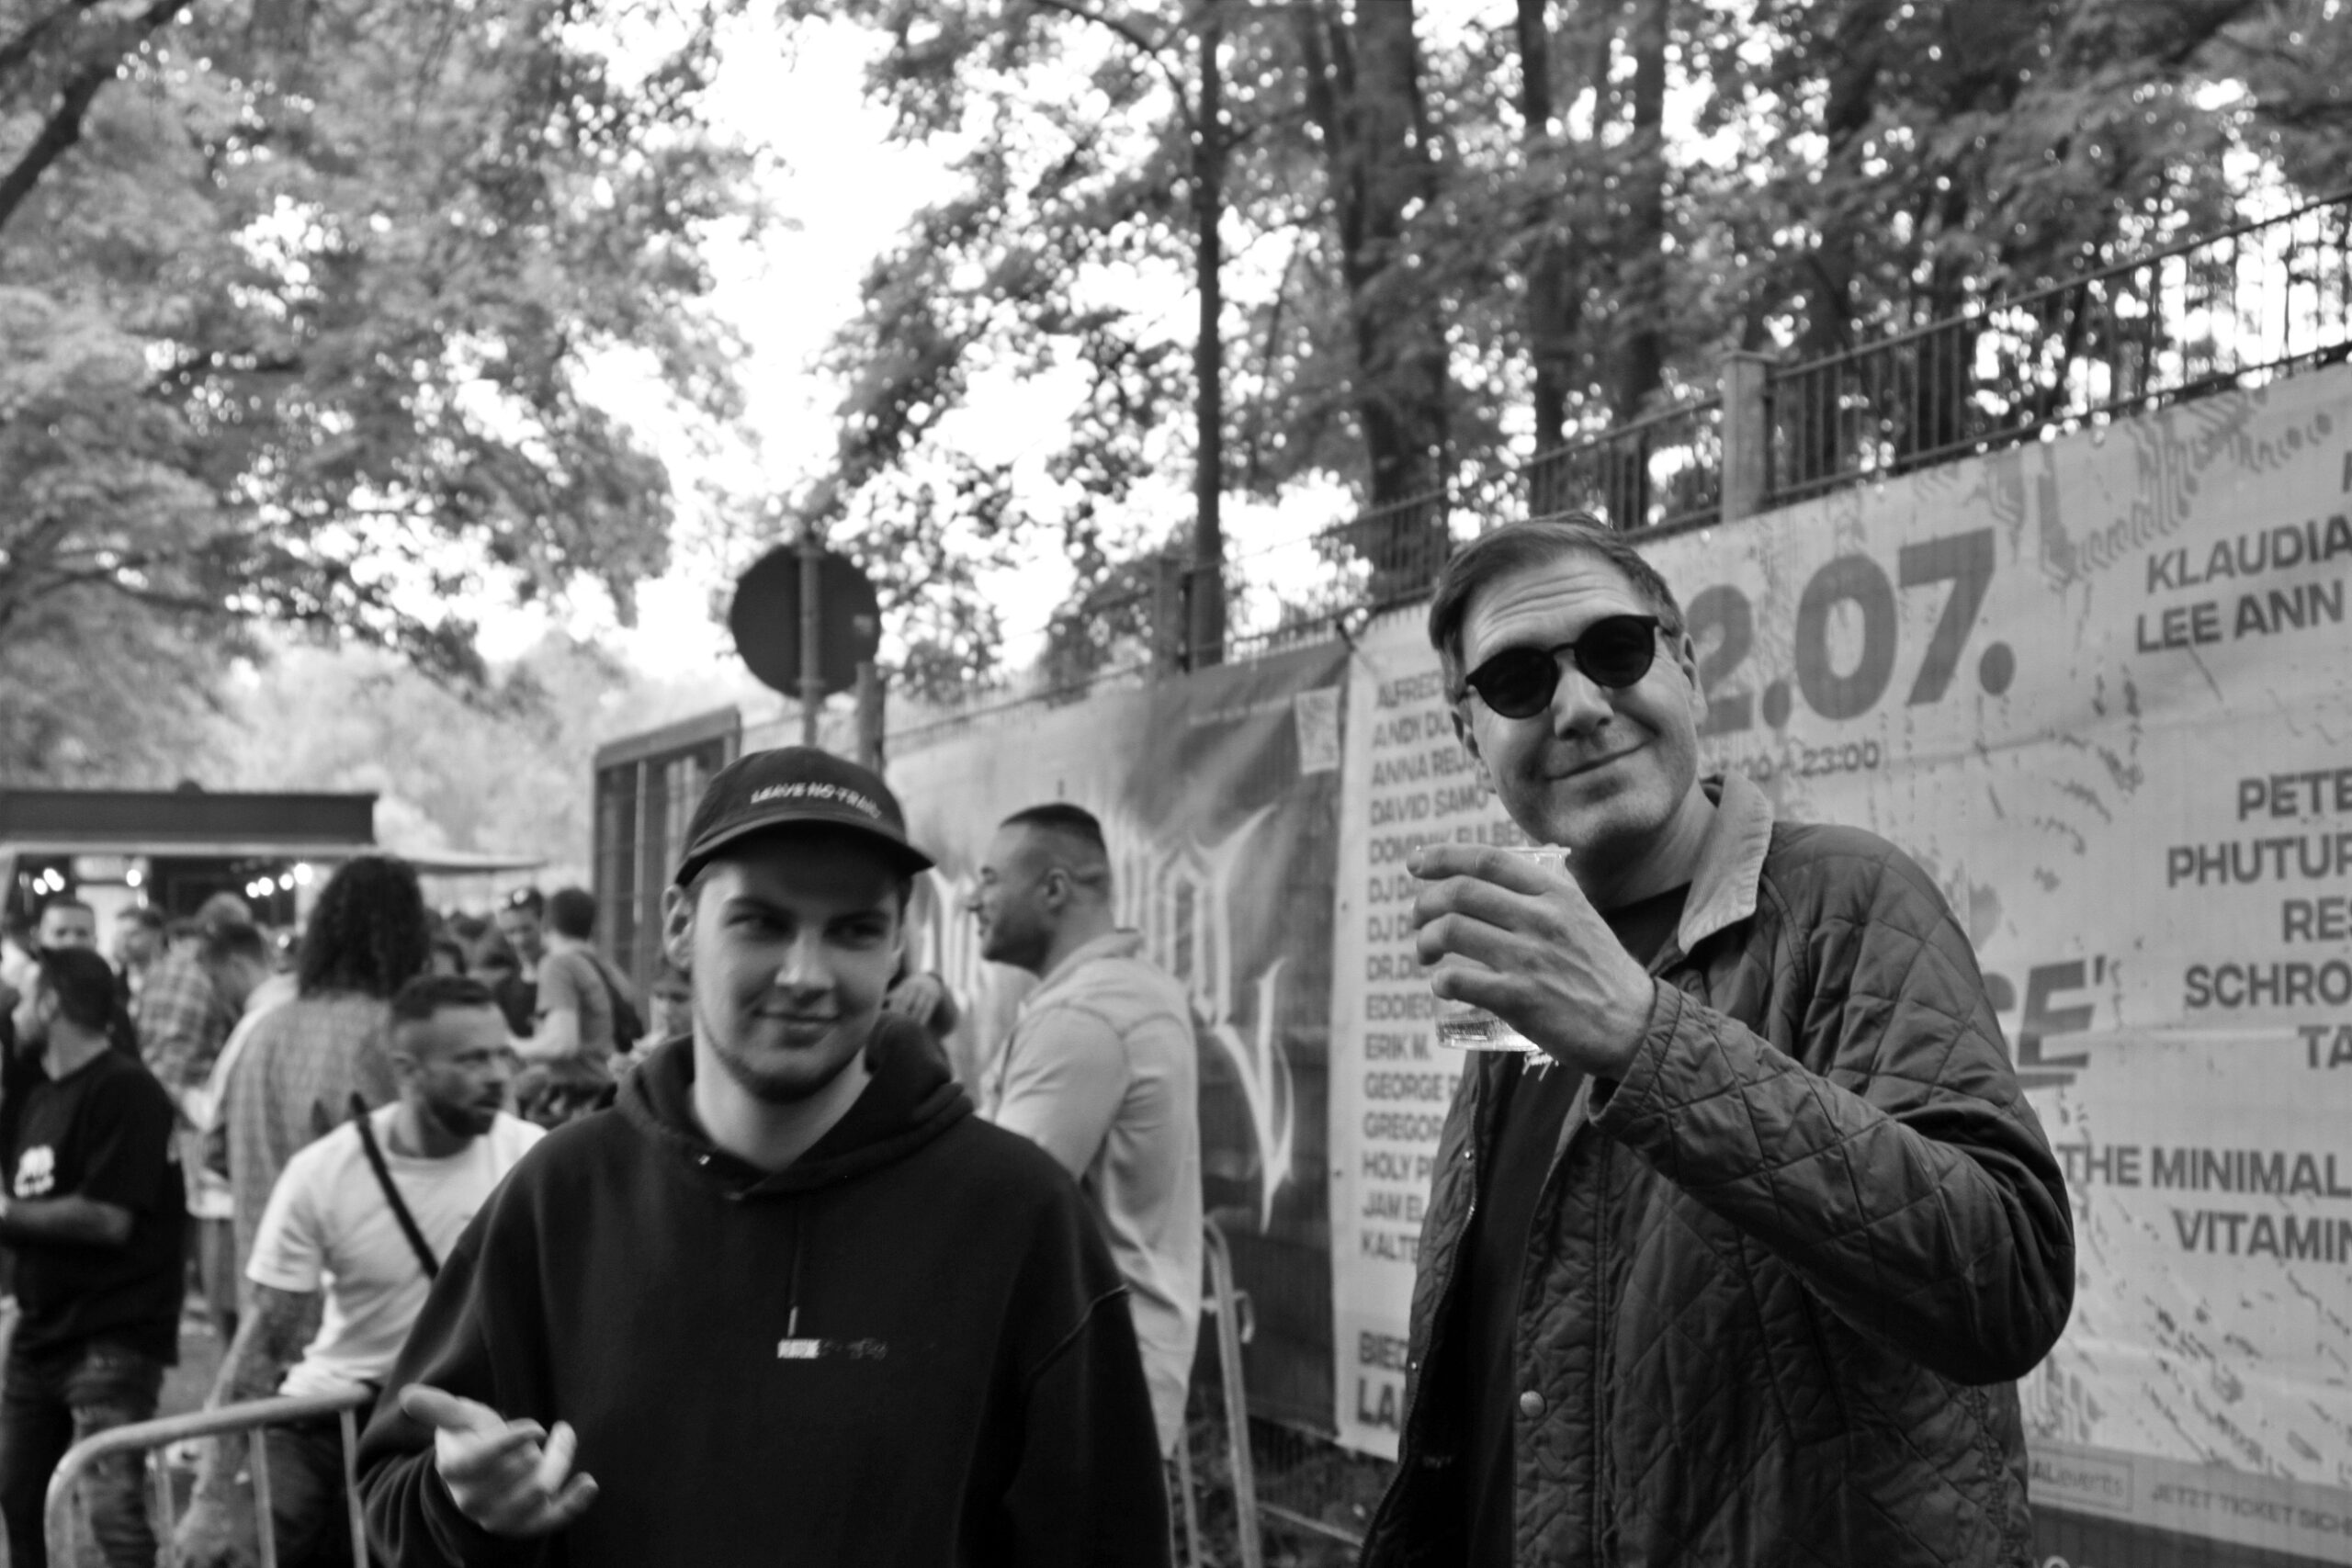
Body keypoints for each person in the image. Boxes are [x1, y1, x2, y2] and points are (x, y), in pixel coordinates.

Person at [1357, 517, 2075, 1568]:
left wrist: (1646, 1039)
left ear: (1685, 668)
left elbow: (2004, 1281)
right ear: (1471, 738)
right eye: (1515, 681)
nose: (1579, 706)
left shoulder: (1846, 899)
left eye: (1614, 651)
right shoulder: (1526, 962)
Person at [356, 746, 1170, 1566]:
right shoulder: (561, 1195)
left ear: (898, 943)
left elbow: (1106, 1537)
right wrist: (463, 1504)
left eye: (854, 930)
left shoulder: (1019, 1215)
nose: (805, 974)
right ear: (681, 925)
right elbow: (392, 1497)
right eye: (762, 922)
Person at [175, 976, 541, 1567]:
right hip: (330, 1415)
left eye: (503, 1055)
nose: (497, 1075)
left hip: (457, 1421)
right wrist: (210, 1498)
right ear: (408, 1070)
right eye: (471, 1060)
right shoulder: (323, 1173)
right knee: (248, 1550)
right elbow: (263, 1343)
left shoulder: (532, 1161)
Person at [968, 802, 1203, 1458]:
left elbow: (994, 1223)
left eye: (990, 879)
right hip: (1111, 1379)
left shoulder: (1082, 1017)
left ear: (1054, 888)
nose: (971, 899)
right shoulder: (1131, 991)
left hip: (1082, 1395)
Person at [0, 948, 186, 1568]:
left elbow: (108, 1217)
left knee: (113, 1514)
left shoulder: (126, 1088)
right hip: (41, 1337)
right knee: (20, 1500)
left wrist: (4, 1214)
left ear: (51, 1003)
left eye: (25, 999)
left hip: (112, 1335)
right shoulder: (41, 1098)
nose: (16, 1013)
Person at [221, 855, 432, 1288]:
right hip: (363, 1300)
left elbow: (215, 1150)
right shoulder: (389, 1033)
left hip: (266, 1282)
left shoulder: (264, 1030)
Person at [514, 886, 636, 1124]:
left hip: (575, 1101)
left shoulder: (557, 965)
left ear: (546, 922)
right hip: (610, 1094)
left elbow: (563, 1044)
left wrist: (511, 1046)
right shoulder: (607, 968)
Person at [111, 907, 166, 1001]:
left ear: (156, 936)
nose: (124, 942)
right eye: (120, 935)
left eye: (133, 934)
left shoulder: (172, 979)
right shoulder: (115, 982)